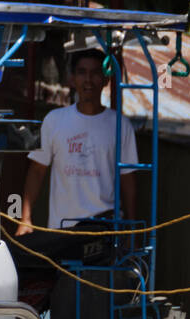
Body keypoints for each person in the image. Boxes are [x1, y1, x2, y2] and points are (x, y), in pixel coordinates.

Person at [17, 48, 137, 253]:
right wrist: (25, 219)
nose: (88, 80)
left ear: (105, 80)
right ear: (72, 79)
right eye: (82, 72)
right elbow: (37, 171)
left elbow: (128, 179)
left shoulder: (120, 125)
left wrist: (132, 231)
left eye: (95, 73)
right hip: (61, 230)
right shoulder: (54, 120)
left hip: (103, 231)